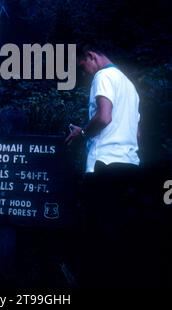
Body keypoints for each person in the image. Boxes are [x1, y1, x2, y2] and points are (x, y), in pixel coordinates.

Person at [65, 43, 141, 287]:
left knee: (98, 230)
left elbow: (104, 116)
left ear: (91, 56)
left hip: (104, 163)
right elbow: (136, 132)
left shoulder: (103, 75)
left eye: (84, 67)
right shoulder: (129, 85)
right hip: (130, 164)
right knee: (121, 230)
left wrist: (82, 133)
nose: (86, 73)